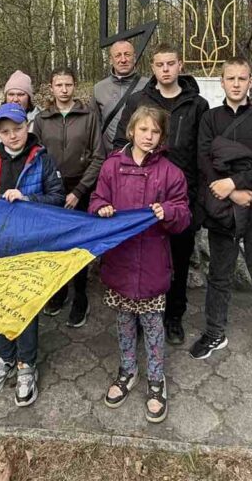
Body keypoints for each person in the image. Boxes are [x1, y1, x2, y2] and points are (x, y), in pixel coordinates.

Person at [189, 58, 252, 390]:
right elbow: (204, 160)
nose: (236, 84)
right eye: (230, 78)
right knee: (219, 274)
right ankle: (214, 332)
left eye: (242, 78)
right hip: (224, 206)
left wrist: (236, 182)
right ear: (221, 82)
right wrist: (231, 191)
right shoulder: (210, 119)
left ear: (250, 82)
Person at [91, 105, 190, 423]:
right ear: (131, 131)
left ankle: (157, 379)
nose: (149, 136)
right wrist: (102, 208)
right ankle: (128, 370)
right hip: (120, 261)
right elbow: (96, 200)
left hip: (152, 263)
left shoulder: (171, 173)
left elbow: (183, 215)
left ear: (162, 137)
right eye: (143, 130)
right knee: (123, 323)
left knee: (153, 326)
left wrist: (168, 212)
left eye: (155, 131)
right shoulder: (111, 167)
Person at [114, 43, 207, 345]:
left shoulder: (197, 105)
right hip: (139, 199)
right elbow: (120, 144)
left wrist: (197, 202)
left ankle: (174, 316)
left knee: (178, 261)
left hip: (180, 198)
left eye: (170, 63)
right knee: (142, 259)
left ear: (180, 65)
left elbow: (203, 155)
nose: (165, 69)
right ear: (152, 67)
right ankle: (142, 315)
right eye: (159, 64)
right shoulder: (138, 100)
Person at [0, 103, 65, 407]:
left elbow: (57, 198)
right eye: (5, 131)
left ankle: (27, 363)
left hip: (30, 245)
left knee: (26, 303)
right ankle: (5, 358)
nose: (12, 136)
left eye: (18, 129)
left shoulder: (43, 159)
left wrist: (27, 198)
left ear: (28, 127)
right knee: (0, 301)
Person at [32, 66, 105, 326]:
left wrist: (79, 191)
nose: (64, 90)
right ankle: (59, 291)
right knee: (55, 243)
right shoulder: (42, 119)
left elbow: (99, 156)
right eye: (59, 85)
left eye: (68, 85)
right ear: (51, 88)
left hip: (81, 186)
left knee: (78, 244)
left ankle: (80, 296)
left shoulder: (88, 116)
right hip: (51, 188)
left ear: (75, 86)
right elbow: (35, 156)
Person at [91, 39, 148, 155]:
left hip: (143, 154)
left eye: (127, 54)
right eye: (118, 55)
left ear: (134, 57)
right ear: (111, 60)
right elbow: (93, 126)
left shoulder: (149, 85)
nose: (123, 60)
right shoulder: (99, 89)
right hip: (109, 155)